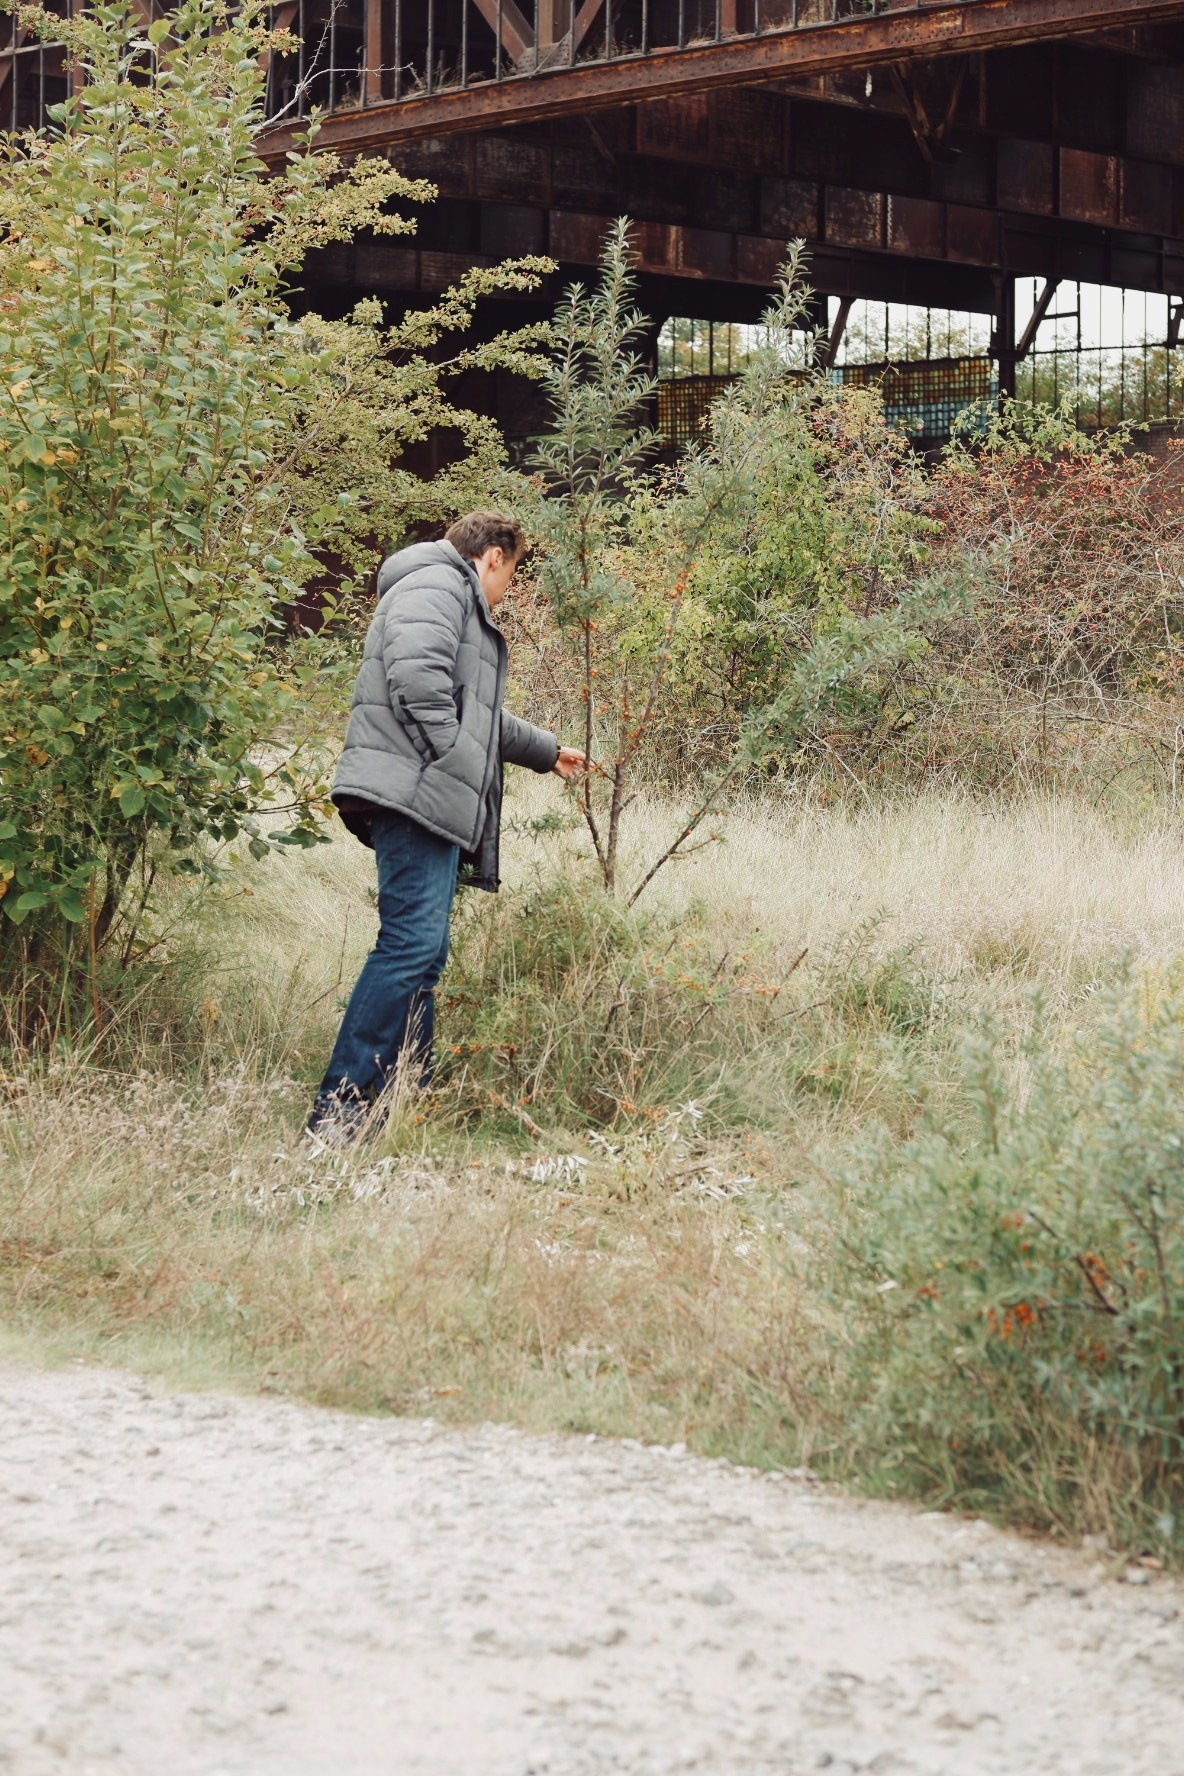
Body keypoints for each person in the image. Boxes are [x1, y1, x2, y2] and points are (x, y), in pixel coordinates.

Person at [306, 511, 584, 1142]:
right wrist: (452, 757)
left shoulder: (446, 592)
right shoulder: (436, 585)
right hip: (412, 795)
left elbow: (477, 715)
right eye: (510, 576)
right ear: (492, 558)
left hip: (420, 791)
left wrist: (547, 751)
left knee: (423, 953)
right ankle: (339, 1109)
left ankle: (405, 1097)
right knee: (408, 947)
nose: (507, 591)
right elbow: (417, 677)